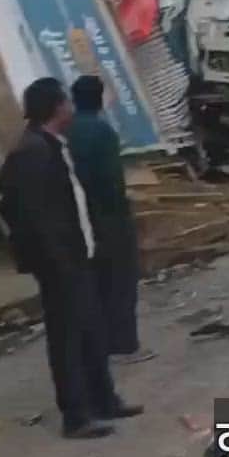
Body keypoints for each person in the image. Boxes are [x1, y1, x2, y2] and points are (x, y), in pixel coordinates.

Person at [0, 78, 142, 440]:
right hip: (61, 265)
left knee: (92, 331)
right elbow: (34, 217)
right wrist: (58, 262)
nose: (69, 108)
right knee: (68, 339)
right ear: (55, 108)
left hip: (81, 257)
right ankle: (76, 415)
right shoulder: (31, 152)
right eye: (64, 102)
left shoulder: (52, 145)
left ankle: (103, 399)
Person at [68, 76, 155, 366]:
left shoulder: (69, 131)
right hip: (108, 218)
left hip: (81, 218)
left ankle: (100, 344)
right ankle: (124, 346)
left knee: (97, 283)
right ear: (100, 98)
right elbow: (111, 182)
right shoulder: (101, 131)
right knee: (120, 282)